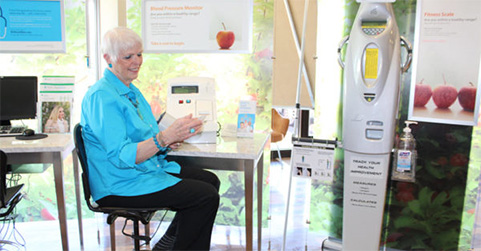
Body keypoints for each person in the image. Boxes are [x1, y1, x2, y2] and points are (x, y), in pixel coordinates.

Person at [80, 27, 220, 250]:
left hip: (142, 171)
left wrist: (168, 139)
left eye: (139, 54)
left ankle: (169, 243)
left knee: (210, 181)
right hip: (119, 184)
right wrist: (163, 139)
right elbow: (121, 156)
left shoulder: (130, 91)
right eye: (128, 57)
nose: (137, 62)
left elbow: (146, 136)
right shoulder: (101, 97)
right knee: (205, 197)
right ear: (108, 58)